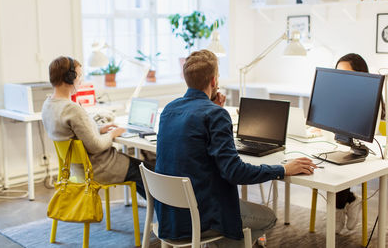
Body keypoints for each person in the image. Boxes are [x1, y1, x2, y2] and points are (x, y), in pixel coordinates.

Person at [155, 49, 317, 247]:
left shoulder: (169, 109)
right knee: (268, 217)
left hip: (170, 217)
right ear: (214, 81)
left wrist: (215, 109)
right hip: (202, 216)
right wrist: (283, 169)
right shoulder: (214, 115)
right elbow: (235, 173)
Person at [41, 56, 146, 197]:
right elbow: (96, 146)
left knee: (141, 169)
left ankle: (155, 212)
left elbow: (74, 134)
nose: (80, 79)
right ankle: (164, 216)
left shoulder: (48, 105)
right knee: (147, 172)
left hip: (78, 169)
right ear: (69, 77)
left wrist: (99, 129)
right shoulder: (72, 109)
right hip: (99, 168)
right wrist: (113, 134)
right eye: (79, 75)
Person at [334, 53, 385, 233]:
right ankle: (347, 201)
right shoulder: (337, 96)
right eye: (338, 73)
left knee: (338, 167)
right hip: (340, 147)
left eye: (346, 74)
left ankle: (339, 207)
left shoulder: (371, 99)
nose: (342, 79)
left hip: (367, 152)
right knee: (328, 165)